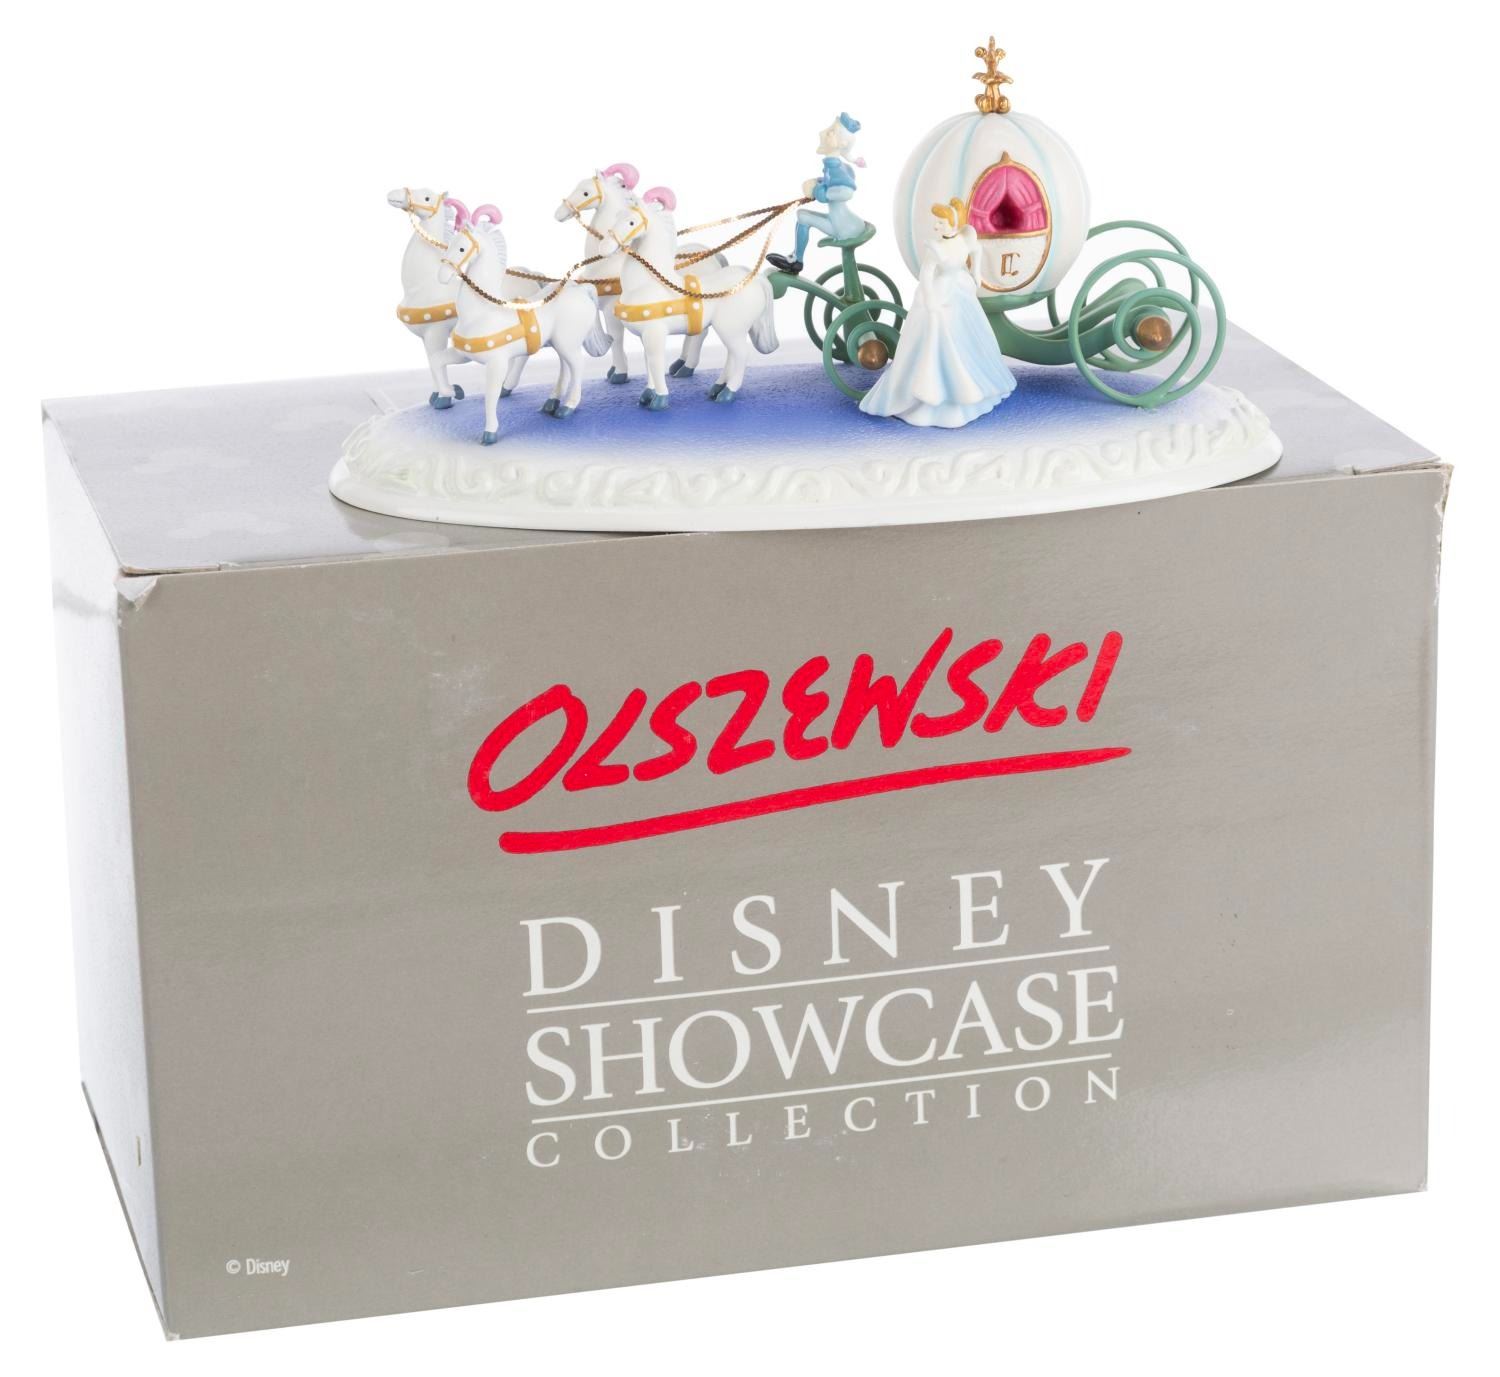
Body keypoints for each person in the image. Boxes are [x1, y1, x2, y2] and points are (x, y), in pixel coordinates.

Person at [859, 199, 1017, 428]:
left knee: (968, 335)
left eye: (940, 222)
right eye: (937, 222)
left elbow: (977, 249)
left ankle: (971, 387)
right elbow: (926, 274)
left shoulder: (964, 238)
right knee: (937, 336)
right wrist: (930, 299)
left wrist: (976, 272)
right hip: (940, 292)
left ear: (953, 223)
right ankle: (935, 392)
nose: (936, 226)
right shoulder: (936, 248)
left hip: (960, 289)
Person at [767, 113, 866, 275]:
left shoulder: (835, 168)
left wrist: (819, 192)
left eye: (831, 132)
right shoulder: (834, 165)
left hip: (842, 226)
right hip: (840, 220)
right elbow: (832, 183)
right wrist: (819, 183)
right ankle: (796, 257)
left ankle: (797, 261)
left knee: (802, 216)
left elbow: (846, 192)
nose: (824, 133)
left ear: (841, 144)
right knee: (802, 215)